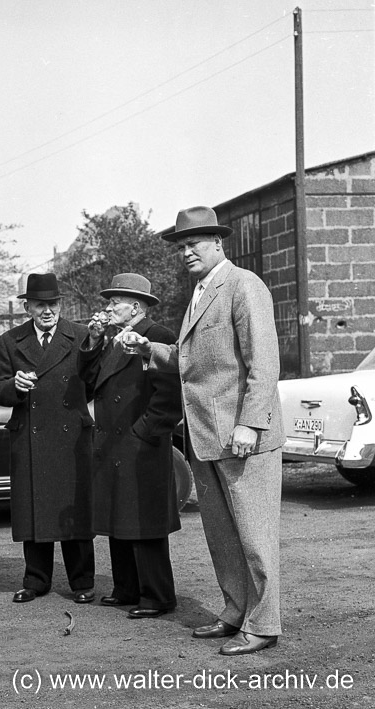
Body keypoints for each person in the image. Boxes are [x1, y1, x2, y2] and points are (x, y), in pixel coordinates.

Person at [119, 206, 284, 655]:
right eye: (181, 247)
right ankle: (235, 611)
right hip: (206, 437)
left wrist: (251, 422)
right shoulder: (198, 292)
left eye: (194, 244)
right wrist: (147, 346)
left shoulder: (243, 285)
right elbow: (191, 362)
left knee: (254, 534)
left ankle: (264, 623)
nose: (186, 252)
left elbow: (264, 363)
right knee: (222, 535)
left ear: (218, 244)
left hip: (243, 438)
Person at [78, 273, 182, 619]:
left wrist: (144, 433)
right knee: (119, 517)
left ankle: (156, 596)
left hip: (140, 444)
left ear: (135, 306)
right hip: (113, 443)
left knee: (144, 521)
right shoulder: (112, 340)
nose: (107, 308)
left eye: (113, 303)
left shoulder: (159, 338)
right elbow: (91, 383)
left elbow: (168, 399)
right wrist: (93, 341)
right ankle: (126, 589)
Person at [0, 273, 95, 604]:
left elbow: (94, 383)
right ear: (28, 307)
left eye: (52, 304)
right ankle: (36, 580)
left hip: (71, 436)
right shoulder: (11, 340)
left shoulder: (81, 336)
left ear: (60, 304)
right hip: (30, 438)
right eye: (40, 305)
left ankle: (82, 581)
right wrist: (15, 386)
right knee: (33, 509)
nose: (47, 311)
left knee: (73, 509)